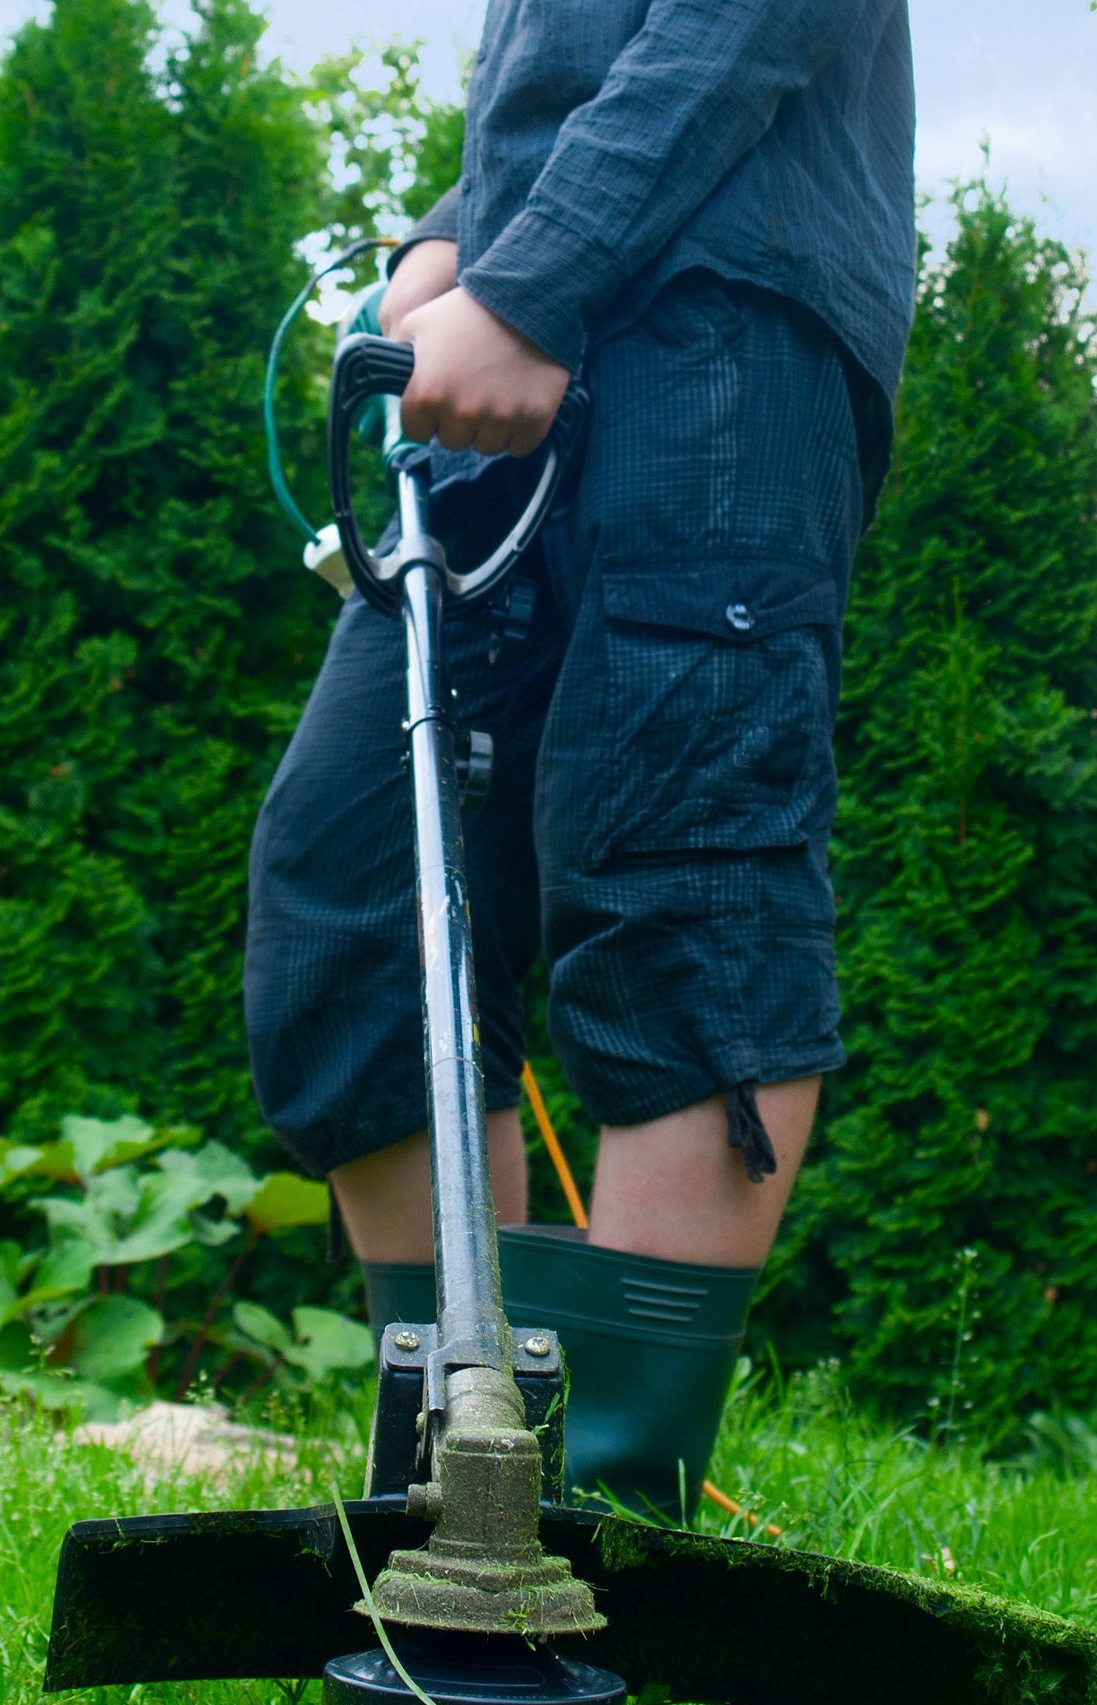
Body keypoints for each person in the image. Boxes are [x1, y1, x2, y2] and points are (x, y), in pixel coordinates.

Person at [246, 0, 918, 1520]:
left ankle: (607, 1524)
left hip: (724, 307)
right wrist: (448, 244)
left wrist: (539, 279)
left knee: (682, 870)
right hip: (519, 323)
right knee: (355, 882)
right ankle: (457, 1472)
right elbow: (567, 67)